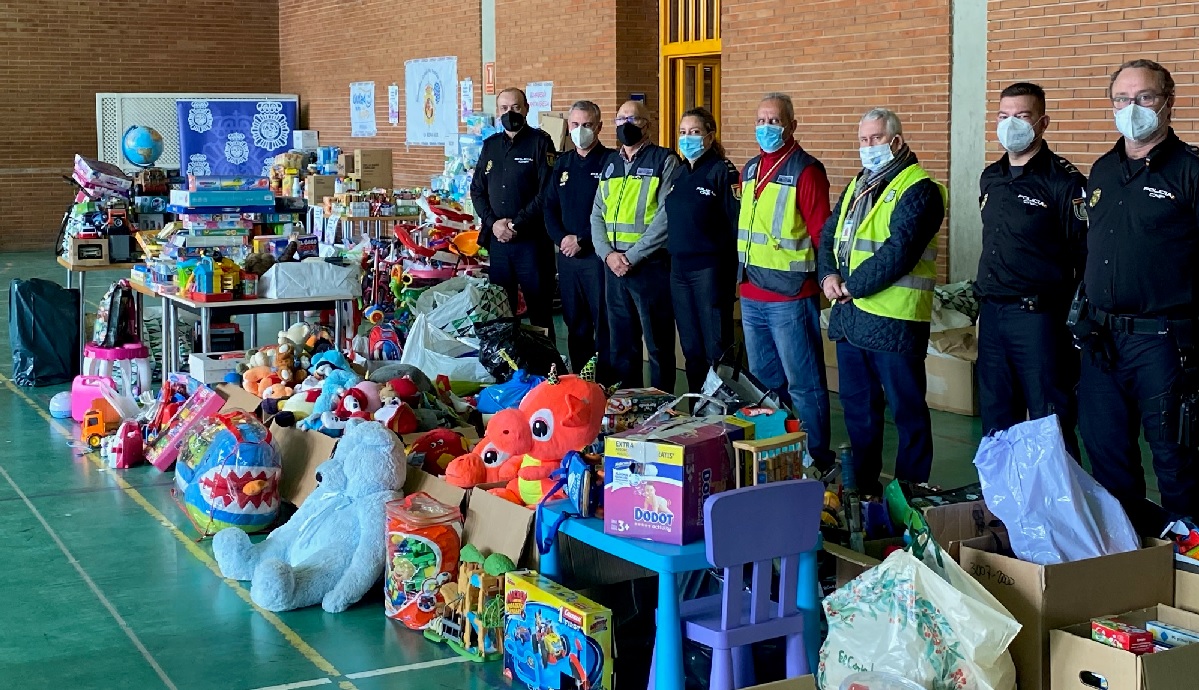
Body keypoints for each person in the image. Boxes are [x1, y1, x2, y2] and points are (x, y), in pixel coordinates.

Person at [1074, 59, 1199, 536]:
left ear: (1168, 101)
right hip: (1102, 339)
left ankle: (1186, 577)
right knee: (1107, 456)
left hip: (1164, 344)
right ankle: (1128, 560)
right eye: (1121, 99)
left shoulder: (1189, 172)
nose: (1132, 108)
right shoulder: (1103, 170)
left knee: (1175, 459)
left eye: (1144, 97)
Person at [818, 108, 947, 495]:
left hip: (895, 322)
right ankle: (862, 487)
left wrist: (851, 285)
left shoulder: (919, 188)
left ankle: (910, 492)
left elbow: (900, 251)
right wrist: (827, 275)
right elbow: (830, 233)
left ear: (896, 141)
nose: (868, 147)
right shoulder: (860, 183)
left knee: (907, 413)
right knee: (859, 411)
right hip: (852, 318)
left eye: (875, 139)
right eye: (863, 140)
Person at [976, 82, 1087, 460]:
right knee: (995, 420)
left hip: (1038, 319)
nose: (1011, 124)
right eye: (1004, 116)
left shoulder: (1064, 182)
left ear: (1042, 123)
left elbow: (1083, 256)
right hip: (992, 314)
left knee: (1048, 421)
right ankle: (1001, 511)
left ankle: (1060, 513)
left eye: (1021, 116)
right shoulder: (991, 176)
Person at [737, 93, 835, 468]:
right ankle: (777, 453)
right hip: (751, 294)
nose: (766, 128)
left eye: (774, 121)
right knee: (765, 387)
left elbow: (820, 235)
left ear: (792, 125)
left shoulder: (806, 171)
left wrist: (826, 277)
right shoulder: (749, 170)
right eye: (760, 120)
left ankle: (815, 458)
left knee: (804, 385)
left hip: (791, 298)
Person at [591, 100, 680, 390]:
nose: (626, 124)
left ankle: (663, 412)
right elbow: (596, 215)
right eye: (620, 119)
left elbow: (667, 216)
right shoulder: (610, 163)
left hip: (648, 267)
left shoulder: (664, 161)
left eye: (634, 119)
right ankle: (627, 408)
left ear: (648, 124)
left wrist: (630, 256)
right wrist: (607, 255)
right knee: (622, 347)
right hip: (613, 269)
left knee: (658, 347)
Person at [469, 87, 557, 336]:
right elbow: (477, 191)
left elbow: (546, 192)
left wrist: (515, 224)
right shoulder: (490, 146)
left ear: (526, 108)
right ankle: (508, 367)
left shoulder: (541, 143)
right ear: (498, 112)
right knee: (502, 312)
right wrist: (493, 223)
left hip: (532, 243)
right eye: (504, 108)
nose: (510, 113)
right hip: (498, 244)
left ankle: (546, 370)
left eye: (516, 107)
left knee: (539, 312)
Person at [665, 107, 740, 393]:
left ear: (710, 137)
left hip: (710, 270)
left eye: (695, 132)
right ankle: (699, 408)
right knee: (691, 348)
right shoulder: (680, 173)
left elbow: (734, 224)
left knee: (716, 348)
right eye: (683, 133)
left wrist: (733, 274)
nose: (688, 138)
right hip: (679, 270)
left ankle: (722, 413)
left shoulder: (721, 172)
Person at [544, 100, 612, 377]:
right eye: (575, 125)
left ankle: (607, 385)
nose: (580, 130)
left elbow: (610, 212)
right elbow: (549, 206)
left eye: (586, 125)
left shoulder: (611, 162)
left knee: (604, 323)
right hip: (568, 258)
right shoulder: (562, 164)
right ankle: (579, 382)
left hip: (596, 257)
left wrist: (581, 239)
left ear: (598, 127)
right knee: (575, 324)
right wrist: (561, 240)